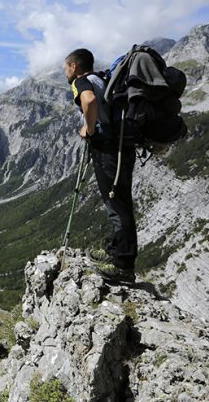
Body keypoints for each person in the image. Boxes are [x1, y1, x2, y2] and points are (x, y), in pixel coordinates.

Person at [63, 48, 137, 283]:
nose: (65, 71)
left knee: (116, 203)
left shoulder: (82, 81)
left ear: (74, 66)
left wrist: (90, 128)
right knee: (121, 199)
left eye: (65, 67)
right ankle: (115, 251)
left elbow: (89, 100)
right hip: (122, 147)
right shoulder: (103, 79)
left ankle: (124, 267)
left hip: (108, 150)